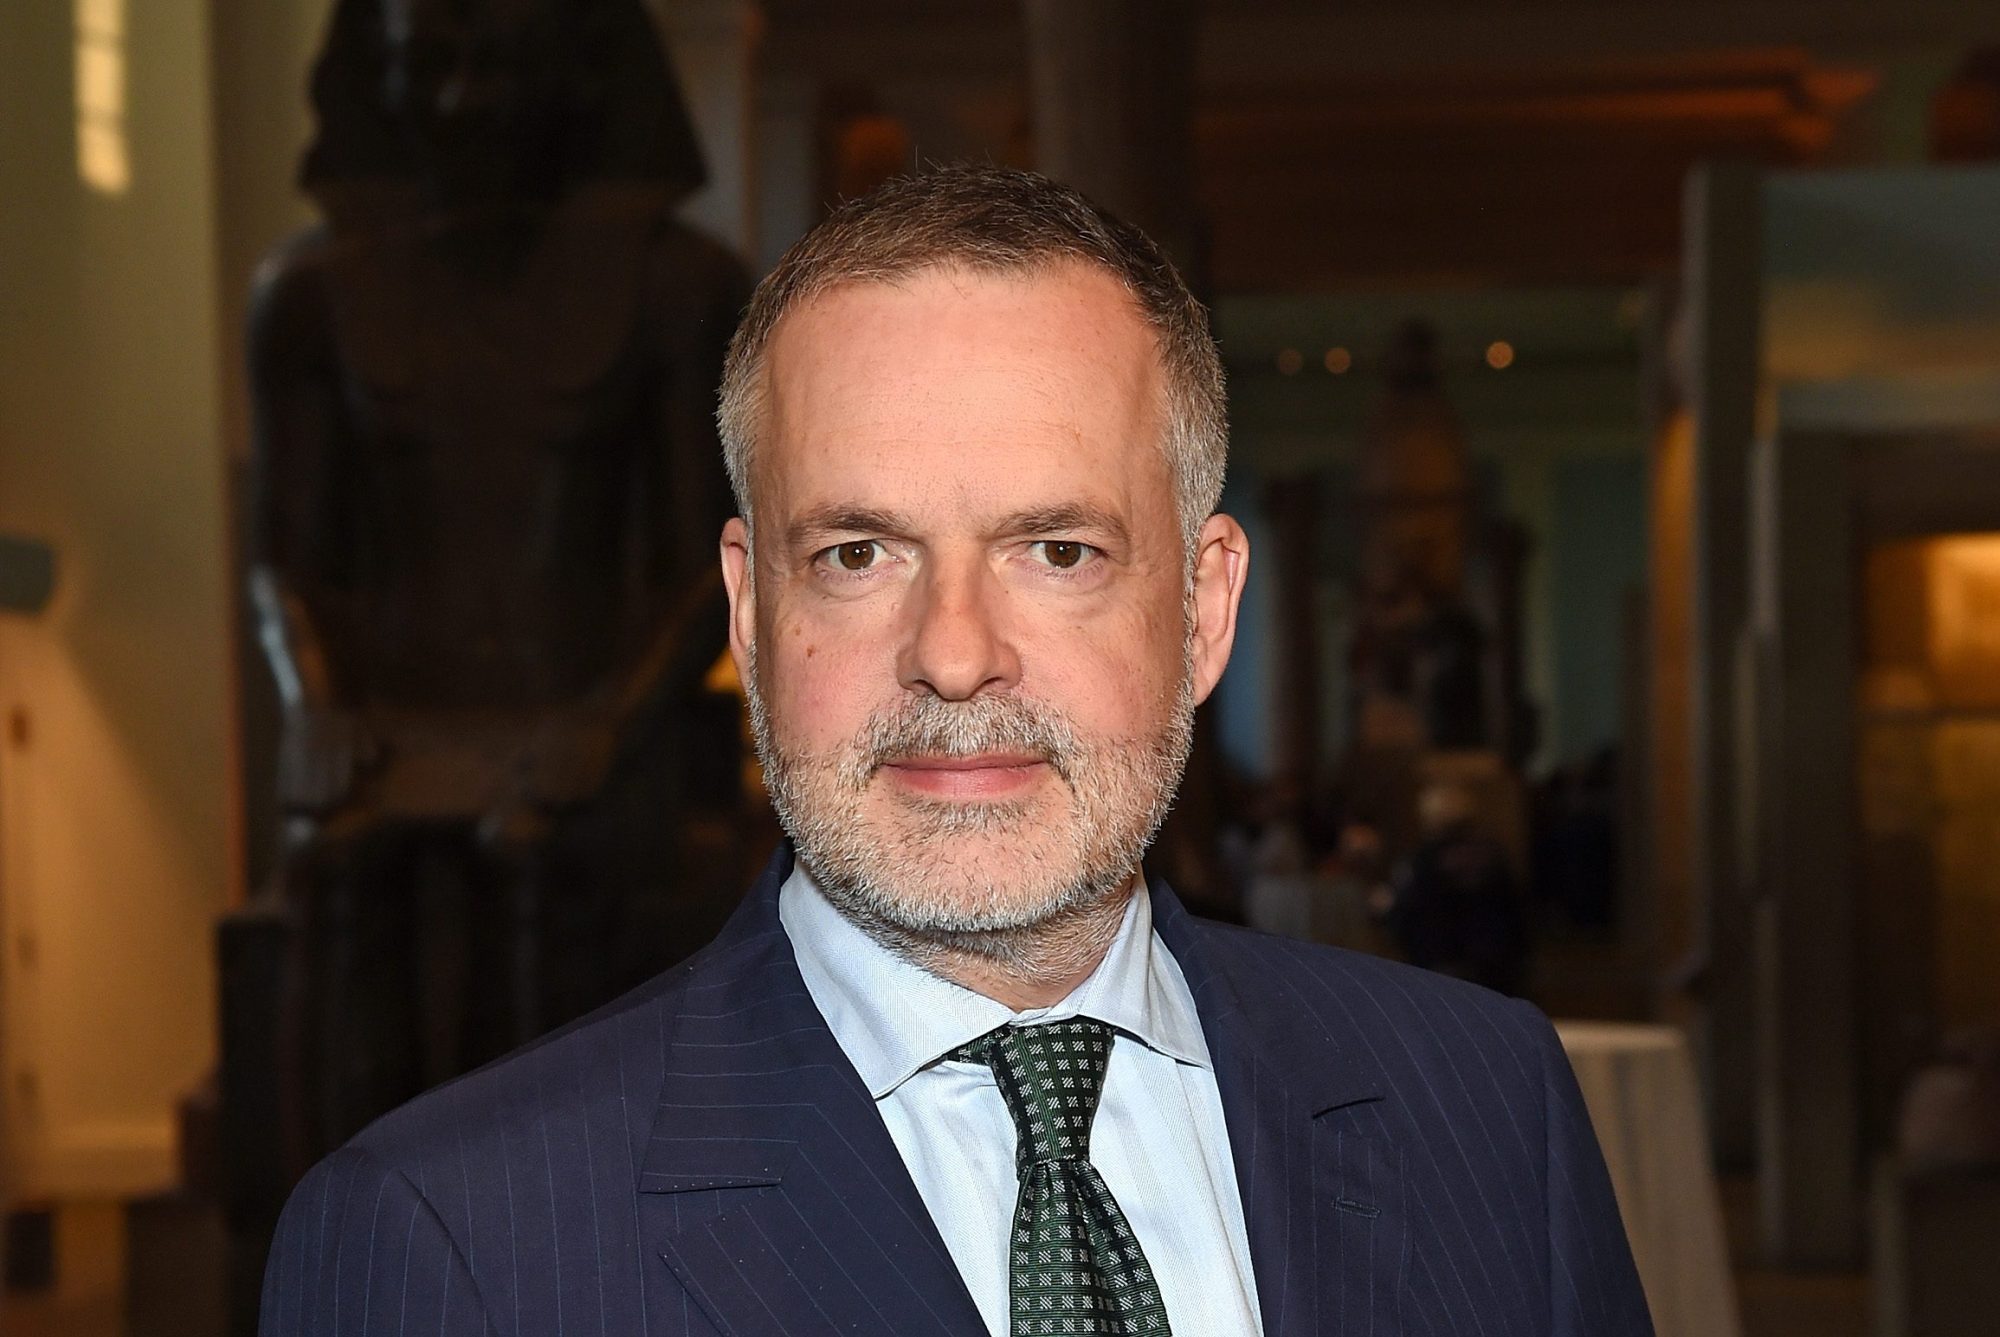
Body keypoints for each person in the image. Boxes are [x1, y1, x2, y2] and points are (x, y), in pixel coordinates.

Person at [261, 164, 1651, 1336]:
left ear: (1206, 605)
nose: (955, 650)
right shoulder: (453, 1245)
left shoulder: (1487, 1110)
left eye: (1058, 550)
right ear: (751, 612)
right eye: (860, 553)